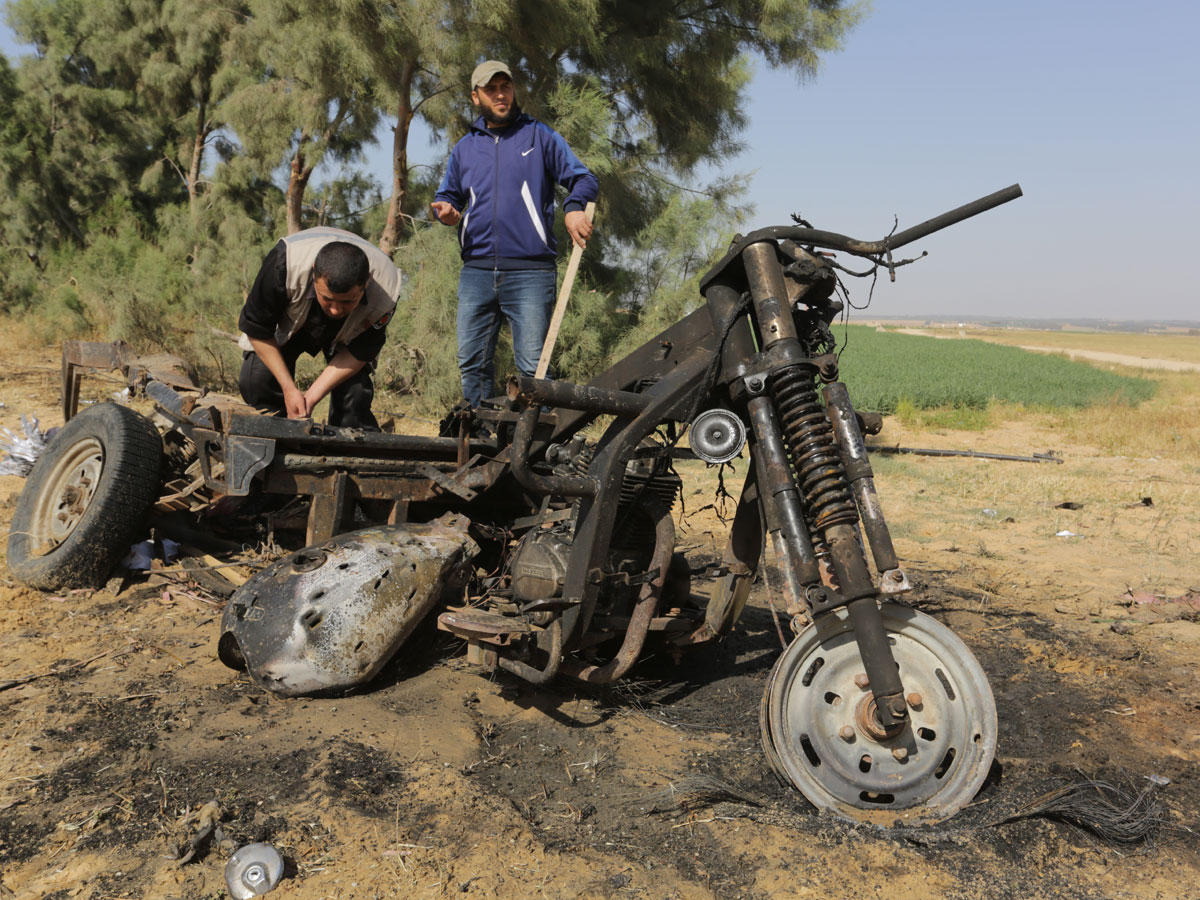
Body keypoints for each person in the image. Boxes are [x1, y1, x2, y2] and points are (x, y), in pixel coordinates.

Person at [430, 59, 599, 408]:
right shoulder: (464, 148)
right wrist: (446, 211)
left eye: (505, 86)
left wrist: (573, 208)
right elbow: (449, 196)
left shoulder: (539, 135)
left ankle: (535, 451)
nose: (500, 94)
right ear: (475, 96)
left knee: (533, 372)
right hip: (475, 271)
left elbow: (584, 179)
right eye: (491, 89)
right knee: (472, 365)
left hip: (530, 272)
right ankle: (477, 445)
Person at [237, 226, 402, 430]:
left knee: (355, 395)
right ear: (315, 272)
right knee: (257, 380)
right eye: (328, 299)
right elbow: (257, 328)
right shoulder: (284, 263)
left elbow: (360, 351)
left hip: (348, 334)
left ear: (366, 282)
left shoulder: (387, 291)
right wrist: (290, 390)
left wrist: (311, 397)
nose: (335, 310)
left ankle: (347, 453)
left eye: (348, 301)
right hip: (292, 322)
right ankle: (274, 437)